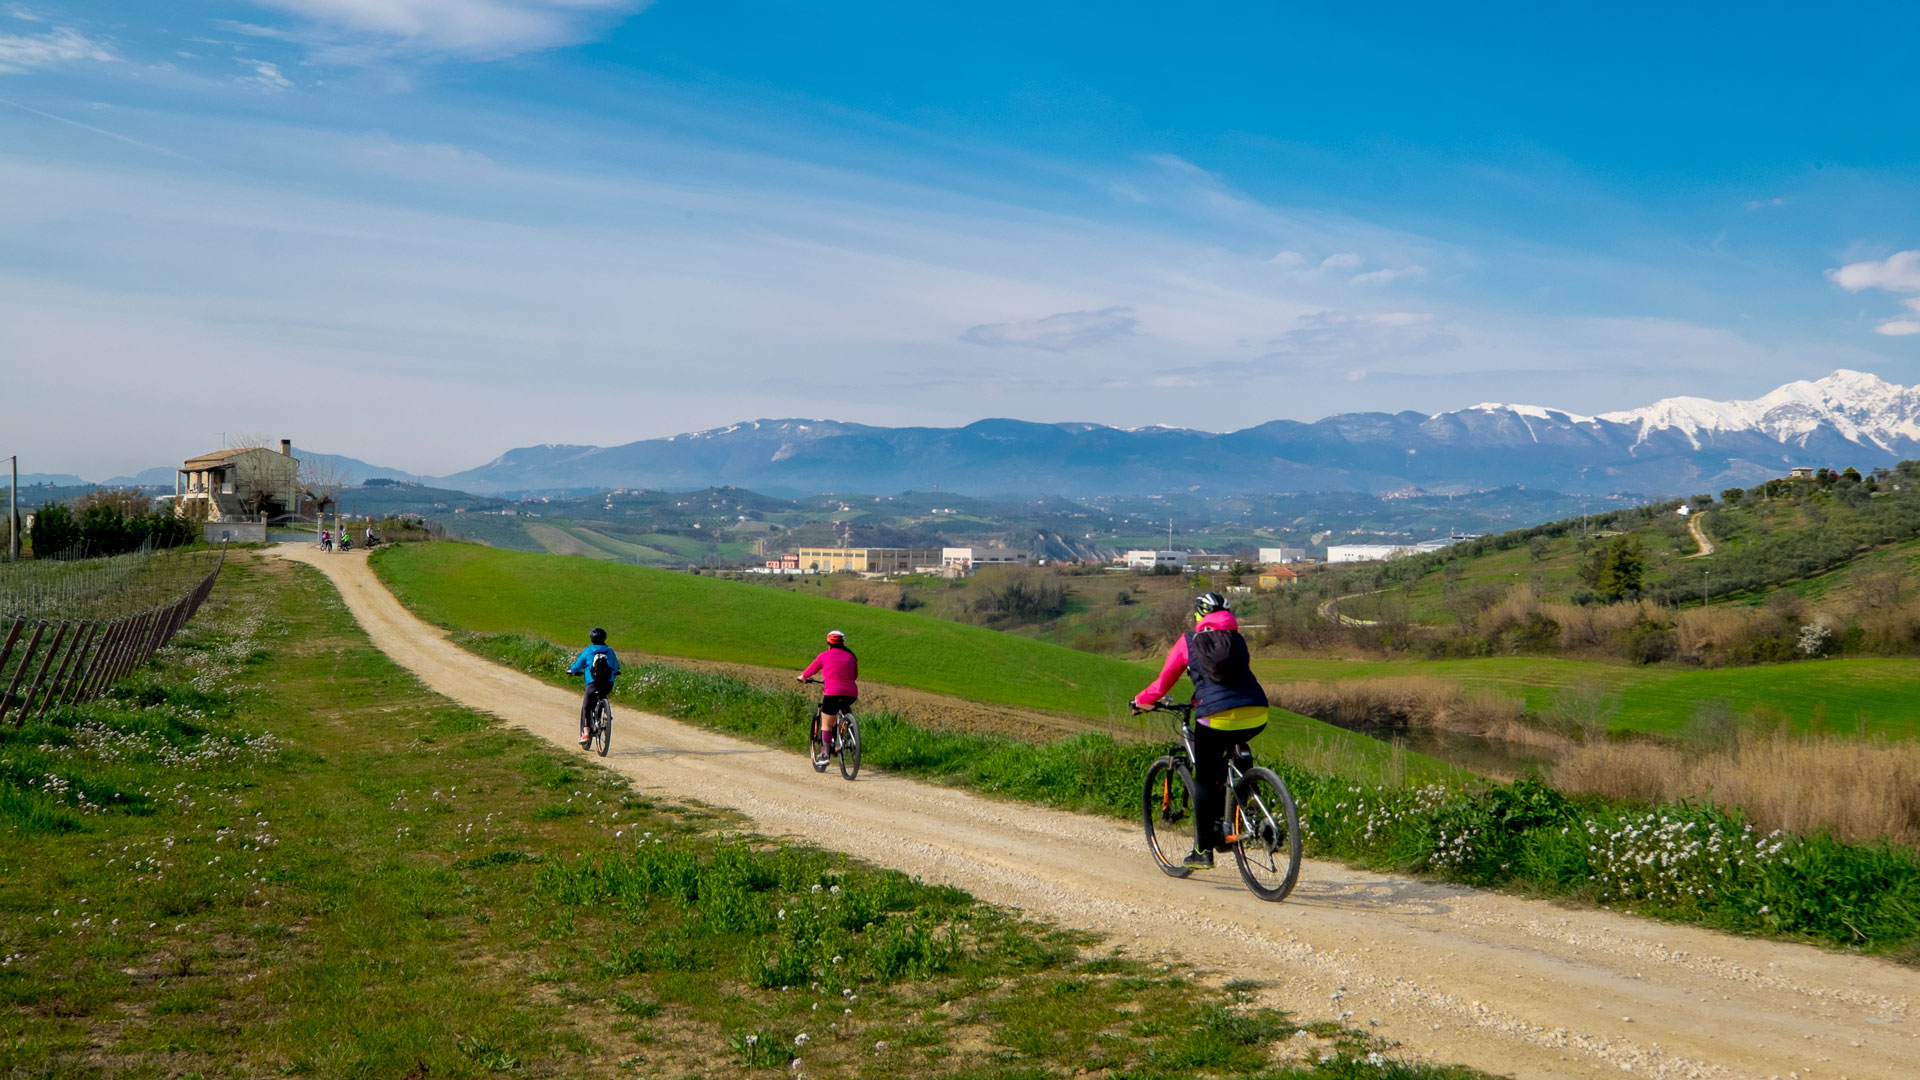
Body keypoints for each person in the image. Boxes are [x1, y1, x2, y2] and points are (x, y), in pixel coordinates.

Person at [1132, 592, 1269, 869]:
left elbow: (1163, 682)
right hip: (1256, 710)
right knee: (1236, 750)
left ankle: (1203, 849)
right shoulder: (1238, 640)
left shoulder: (1188, 642)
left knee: (1206, 780)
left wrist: (1141, 701)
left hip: (1215, 716)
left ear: (1199, 615)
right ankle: (1249, 803)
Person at [796, 630, 858, 766]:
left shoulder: (824, 656)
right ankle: (851, 731)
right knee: (844, 707)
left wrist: (803, 677)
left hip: (832, 692)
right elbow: (854, 676)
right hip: (851, 693)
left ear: (828, 644)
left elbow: (810, 670)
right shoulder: (851, 657)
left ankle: (824, 754)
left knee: (826, 722)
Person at [566, 627, 621, 747]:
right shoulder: (609, 651)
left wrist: (572, 671)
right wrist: (615, 672)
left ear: (591, 639)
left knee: (586, 705)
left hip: (592, 683)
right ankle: (602, 712)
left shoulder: (589, 650)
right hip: (607, 684)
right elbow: (616, 667)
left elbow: (578, 665)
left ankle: (586, 733)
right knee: (602, 695)